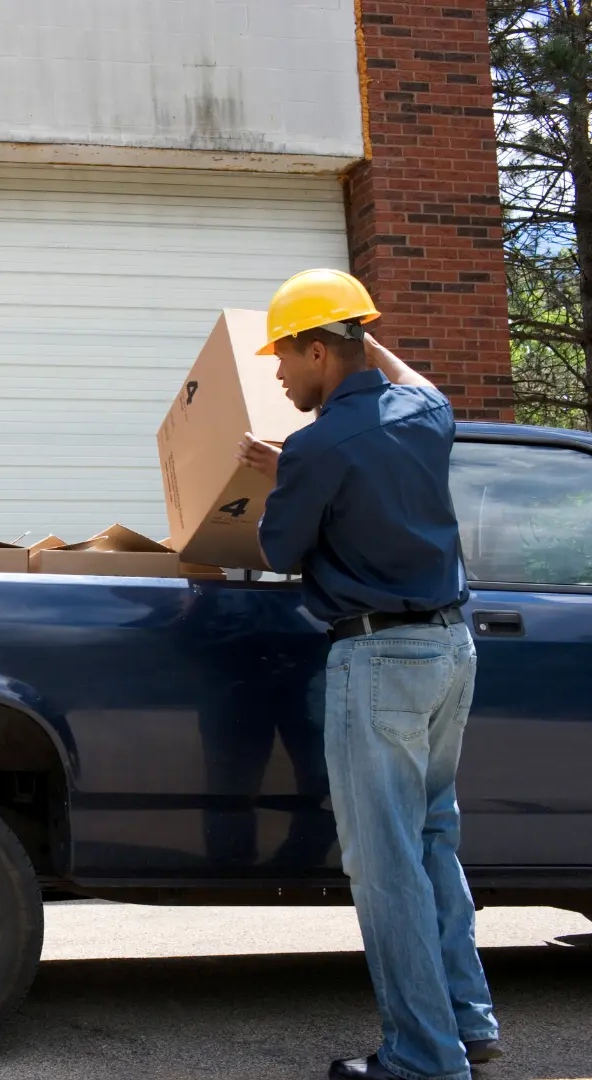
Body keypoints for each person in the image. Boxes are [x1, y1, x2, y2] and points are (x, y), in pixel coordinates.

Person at [233, 269, 501, 1080]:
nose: (278, 374)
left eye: (286, 357)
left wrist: (284, 473)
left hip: (379, 659)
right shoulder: (423, 414)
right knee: (432, 841)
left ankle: (424, 1057)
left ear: (321, 351)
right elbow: (410, 383)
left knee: (384, 865)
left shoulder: (316, 447)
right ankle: (467, 1022)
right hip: (452, 651)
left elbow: (279, 550)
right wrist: (359, 331)